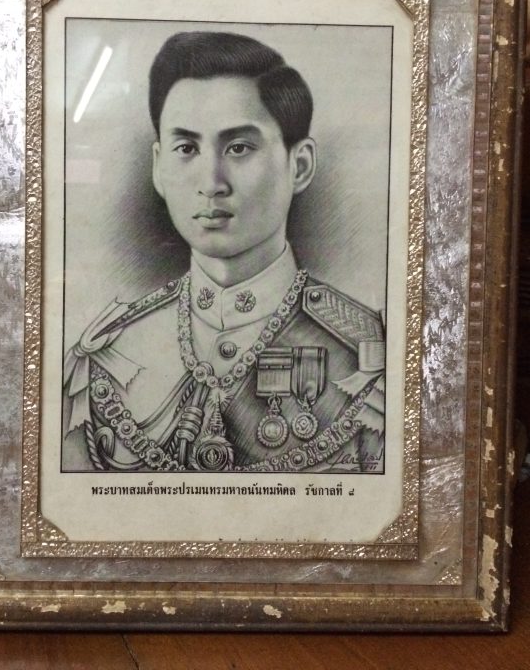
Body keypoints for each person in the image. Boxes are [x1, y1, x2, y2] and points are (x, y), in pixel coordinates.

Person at [63, 31, 385, 473]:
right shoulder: (108, 354)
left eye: (239, 148)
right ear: (158, 167)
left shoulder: (369, 351)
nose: (211, 182)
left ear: (300, 165)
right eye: (186, 148)